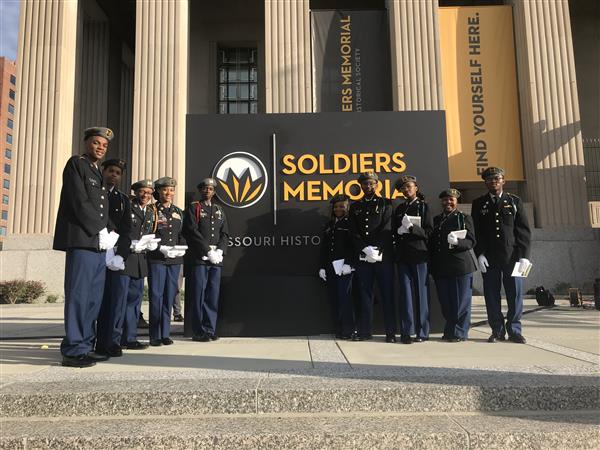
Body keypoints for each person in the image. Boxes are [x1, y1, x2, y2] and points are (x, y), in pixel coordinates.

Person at [53, 126, 114, 368]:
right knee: (79, 296)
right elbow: (78, 200)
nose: (100, 147)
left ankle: (86, 345)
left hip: (97, 243)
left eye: (104, 145)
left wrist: (109, 232)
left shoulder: (97, 171)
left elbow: (101, 207)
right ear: (87, 142)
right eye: (96, 142)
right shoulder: (76, 164)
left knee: (93, 298)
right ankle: (73, 349)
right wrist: (99, 228)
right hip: (82, 239)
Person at [471, 167, 532, 344]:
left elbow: (523, 231)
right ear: (485, 183)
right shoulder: (479, 203)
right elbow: (477, 232)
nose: (493, 182)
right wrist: (479, 254)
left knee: (515, 295)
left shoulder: (514, 201)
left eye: (497, 179)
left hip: (512, 257)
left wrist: (524, 256)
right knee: (491, 295)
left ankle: (514, 330)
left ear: (503, 181)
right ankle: (497, 330)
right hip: (489, 258)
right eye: (489, 180)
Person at [348, 171, 396, 342]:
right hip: (363, 257)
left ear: (376, 185)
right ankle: (364, 331)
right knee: (364, 294)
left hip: (383, 257)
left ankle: (390, 333)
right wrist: (364, 248)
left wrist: (377, 248)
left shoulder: (386, 203)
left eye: (371, 183)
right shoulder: (355, 206)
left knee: (387, 294)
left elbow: (387, 227)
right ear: (360, 186)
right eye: (365, 184)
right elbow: (353, 231)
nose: (368, 186)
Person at [183, 178, 229, 342]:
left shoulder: (219, 210)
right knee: (199, 294)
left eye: (210, 189)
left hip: (216, 258)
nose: (207, 191)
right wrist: (207, 250)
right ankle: (198, 331)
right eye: (204, 188)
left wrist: (220, 251)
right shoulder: (194, 208)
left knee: (212, 294)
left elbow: (225, 233)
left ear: (214, 192)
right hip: (200, 257)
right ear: (200, 190)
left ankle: (210, 329)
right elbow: (192, 231)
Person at [95, 159, 132, 357]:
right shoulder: (94, 192)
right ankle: (90, 342)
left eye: (117, 173)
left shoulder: (123, 200)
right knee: (94, 301)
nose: (114, 175)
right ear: (103, 171)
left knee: (113, 301)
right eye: (110, 171)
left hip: (114, 256)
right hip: (97, 250)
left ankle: (110, 342)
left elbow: (127, 231)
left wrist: (120, 255)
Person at [430, 189, 477, 342]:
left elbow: (471, 241)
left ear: (456, 201)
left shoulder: (464, 218)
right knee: (446, 302)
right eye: (445, 200)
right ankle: (450, 330)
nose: (448, 202)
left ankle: (460, 332)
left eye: (451, 199)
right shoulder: (437, 220)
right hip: (441, 267)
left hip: (460, 266)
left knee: (461, 302)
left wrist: (458, 242)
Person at [393, 175, 433, 344]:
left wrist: (412, 229)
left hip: (419, 255)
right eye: (403, 188)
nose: (406, 190)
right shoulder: (400, 208)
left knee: (421, 295)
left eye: (409, 186)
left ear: (416, 188)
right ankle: (406, 331)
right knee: (405, 294)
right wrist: (399, 232)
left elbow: (429, 232)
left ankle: (422, 331)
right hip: (403, 256)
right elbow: (394, 231)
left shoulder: (423, 207)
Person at [146, 177, 186, 346]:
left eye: (171, 190)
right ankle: (155, 335)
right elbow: (147, 233)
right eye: (165, 190)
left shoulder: (178, 212)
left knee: (170, 295)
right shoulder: (151, 210)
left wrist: (181, 248)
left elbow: (182, 234)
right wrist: (158, 248)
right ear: (158, 191)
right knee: (156, 295)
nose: (169, 193)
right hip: (157, 258)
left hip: (174, 259)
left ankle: (165, 333)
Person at [120, 179, 158, 350]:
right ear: (136, 192)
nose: (145, 195)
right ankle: (115, 338)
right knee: (120, 301)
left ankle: (130, 337)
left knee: (135, 302)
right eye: (143, 191)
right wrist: (128, 244)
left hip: (140, 261)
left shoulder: (150, 212)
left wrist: (150, 244)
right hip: (125, 258)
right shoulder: (127, 206)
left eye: (149, 193)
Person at [318, 194, 356, 340]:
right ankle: (339, 329)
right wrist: (322, 266)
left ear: (347, 207)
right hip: (331, 267)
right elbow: (325, 248)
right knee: (334, 299)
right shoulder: (330, 224)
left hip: (345, 268)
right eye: (335, 207)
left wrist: (349, 263)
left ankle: (349, 330)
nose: (338, 209)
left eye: (342, 206)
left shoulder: (351, 223)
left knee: (345, 299)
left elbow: (354, 245)